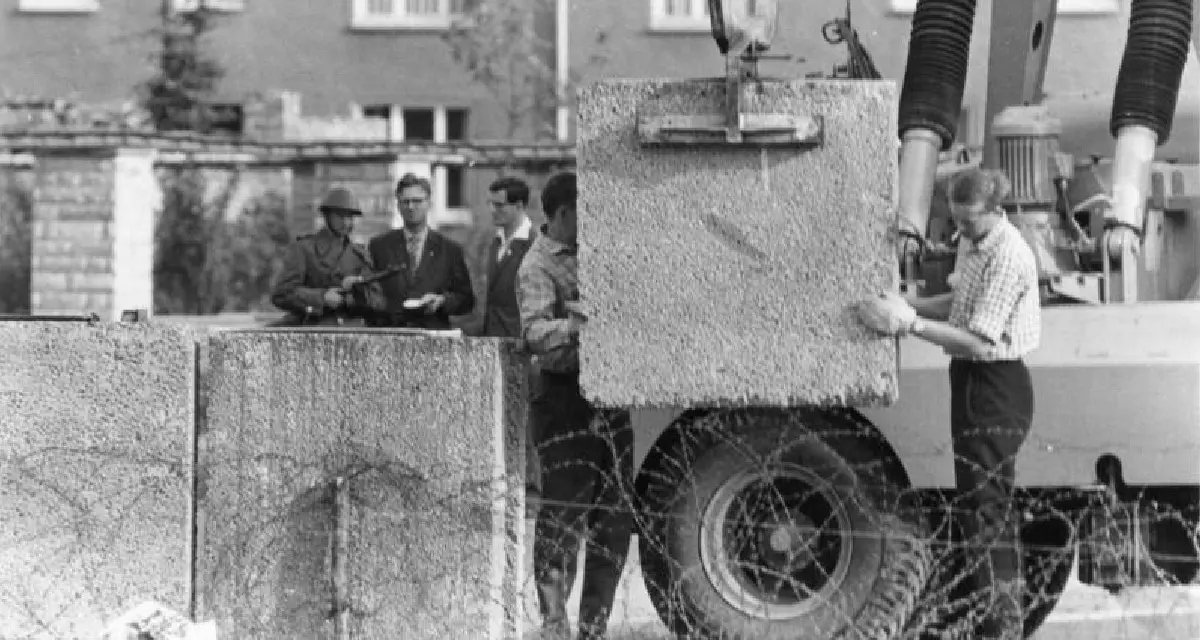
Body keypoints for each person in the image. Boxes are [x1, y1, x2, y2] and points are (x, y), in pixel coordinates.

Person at [856, 167, 1040, 640]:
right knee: (973, 502)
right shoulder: (976, 243)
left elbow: (978, 340)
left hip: (996, 383)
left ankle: (1000, 624)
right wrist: (911, 305)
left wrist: (908, 325)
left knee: (987, 509)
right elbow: (959, 305)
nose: (961, 230)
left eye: (970, 222)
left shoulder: (1008, 256)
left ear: (997, 212)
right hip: (972, 382)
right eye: (956, 220)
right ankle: (982, 611)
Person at [517, 171, 634, 640]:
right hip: (564, 399)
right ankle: (553, 624)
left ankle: (593, 627)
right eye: (584, 212)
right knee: (563, 515)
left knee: (613, 519)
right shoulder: (537, 266)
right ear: (564, 212)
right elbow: (533, 335)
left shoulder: (597, 254)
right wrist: (572, 327)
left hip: (608, 397)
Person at [368, 173, 474, 329]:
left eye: (417, 201)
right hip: (391, 336)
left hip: (433, 337)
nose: (411, 207)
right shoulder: (379, 246)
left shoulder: (450, 250)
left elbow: (466, 300)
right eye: (405, 202)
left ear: (429, 204)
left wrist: (442, 301)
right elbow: (370, 294)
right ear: (398, 206)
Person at [270, 187, 386, 326]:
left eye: (349, 217)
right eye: (340, 216)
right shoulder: (304, 249)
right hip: (311, 329)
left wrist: (354, 292)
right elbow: (282, 294)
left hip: (351, 332)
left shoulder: (360, 254)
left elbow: (378, 302)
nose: (346, 222)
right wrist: (322, 297)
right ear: (327, 216)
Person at [483, 176, 537, 338]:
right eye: (490, 204)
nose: (492, 210)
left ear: (519, 206)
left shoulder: (534, 244)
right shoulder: (496, 241)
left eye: (499, 205)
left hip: (520, 341)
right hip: (492, 338)